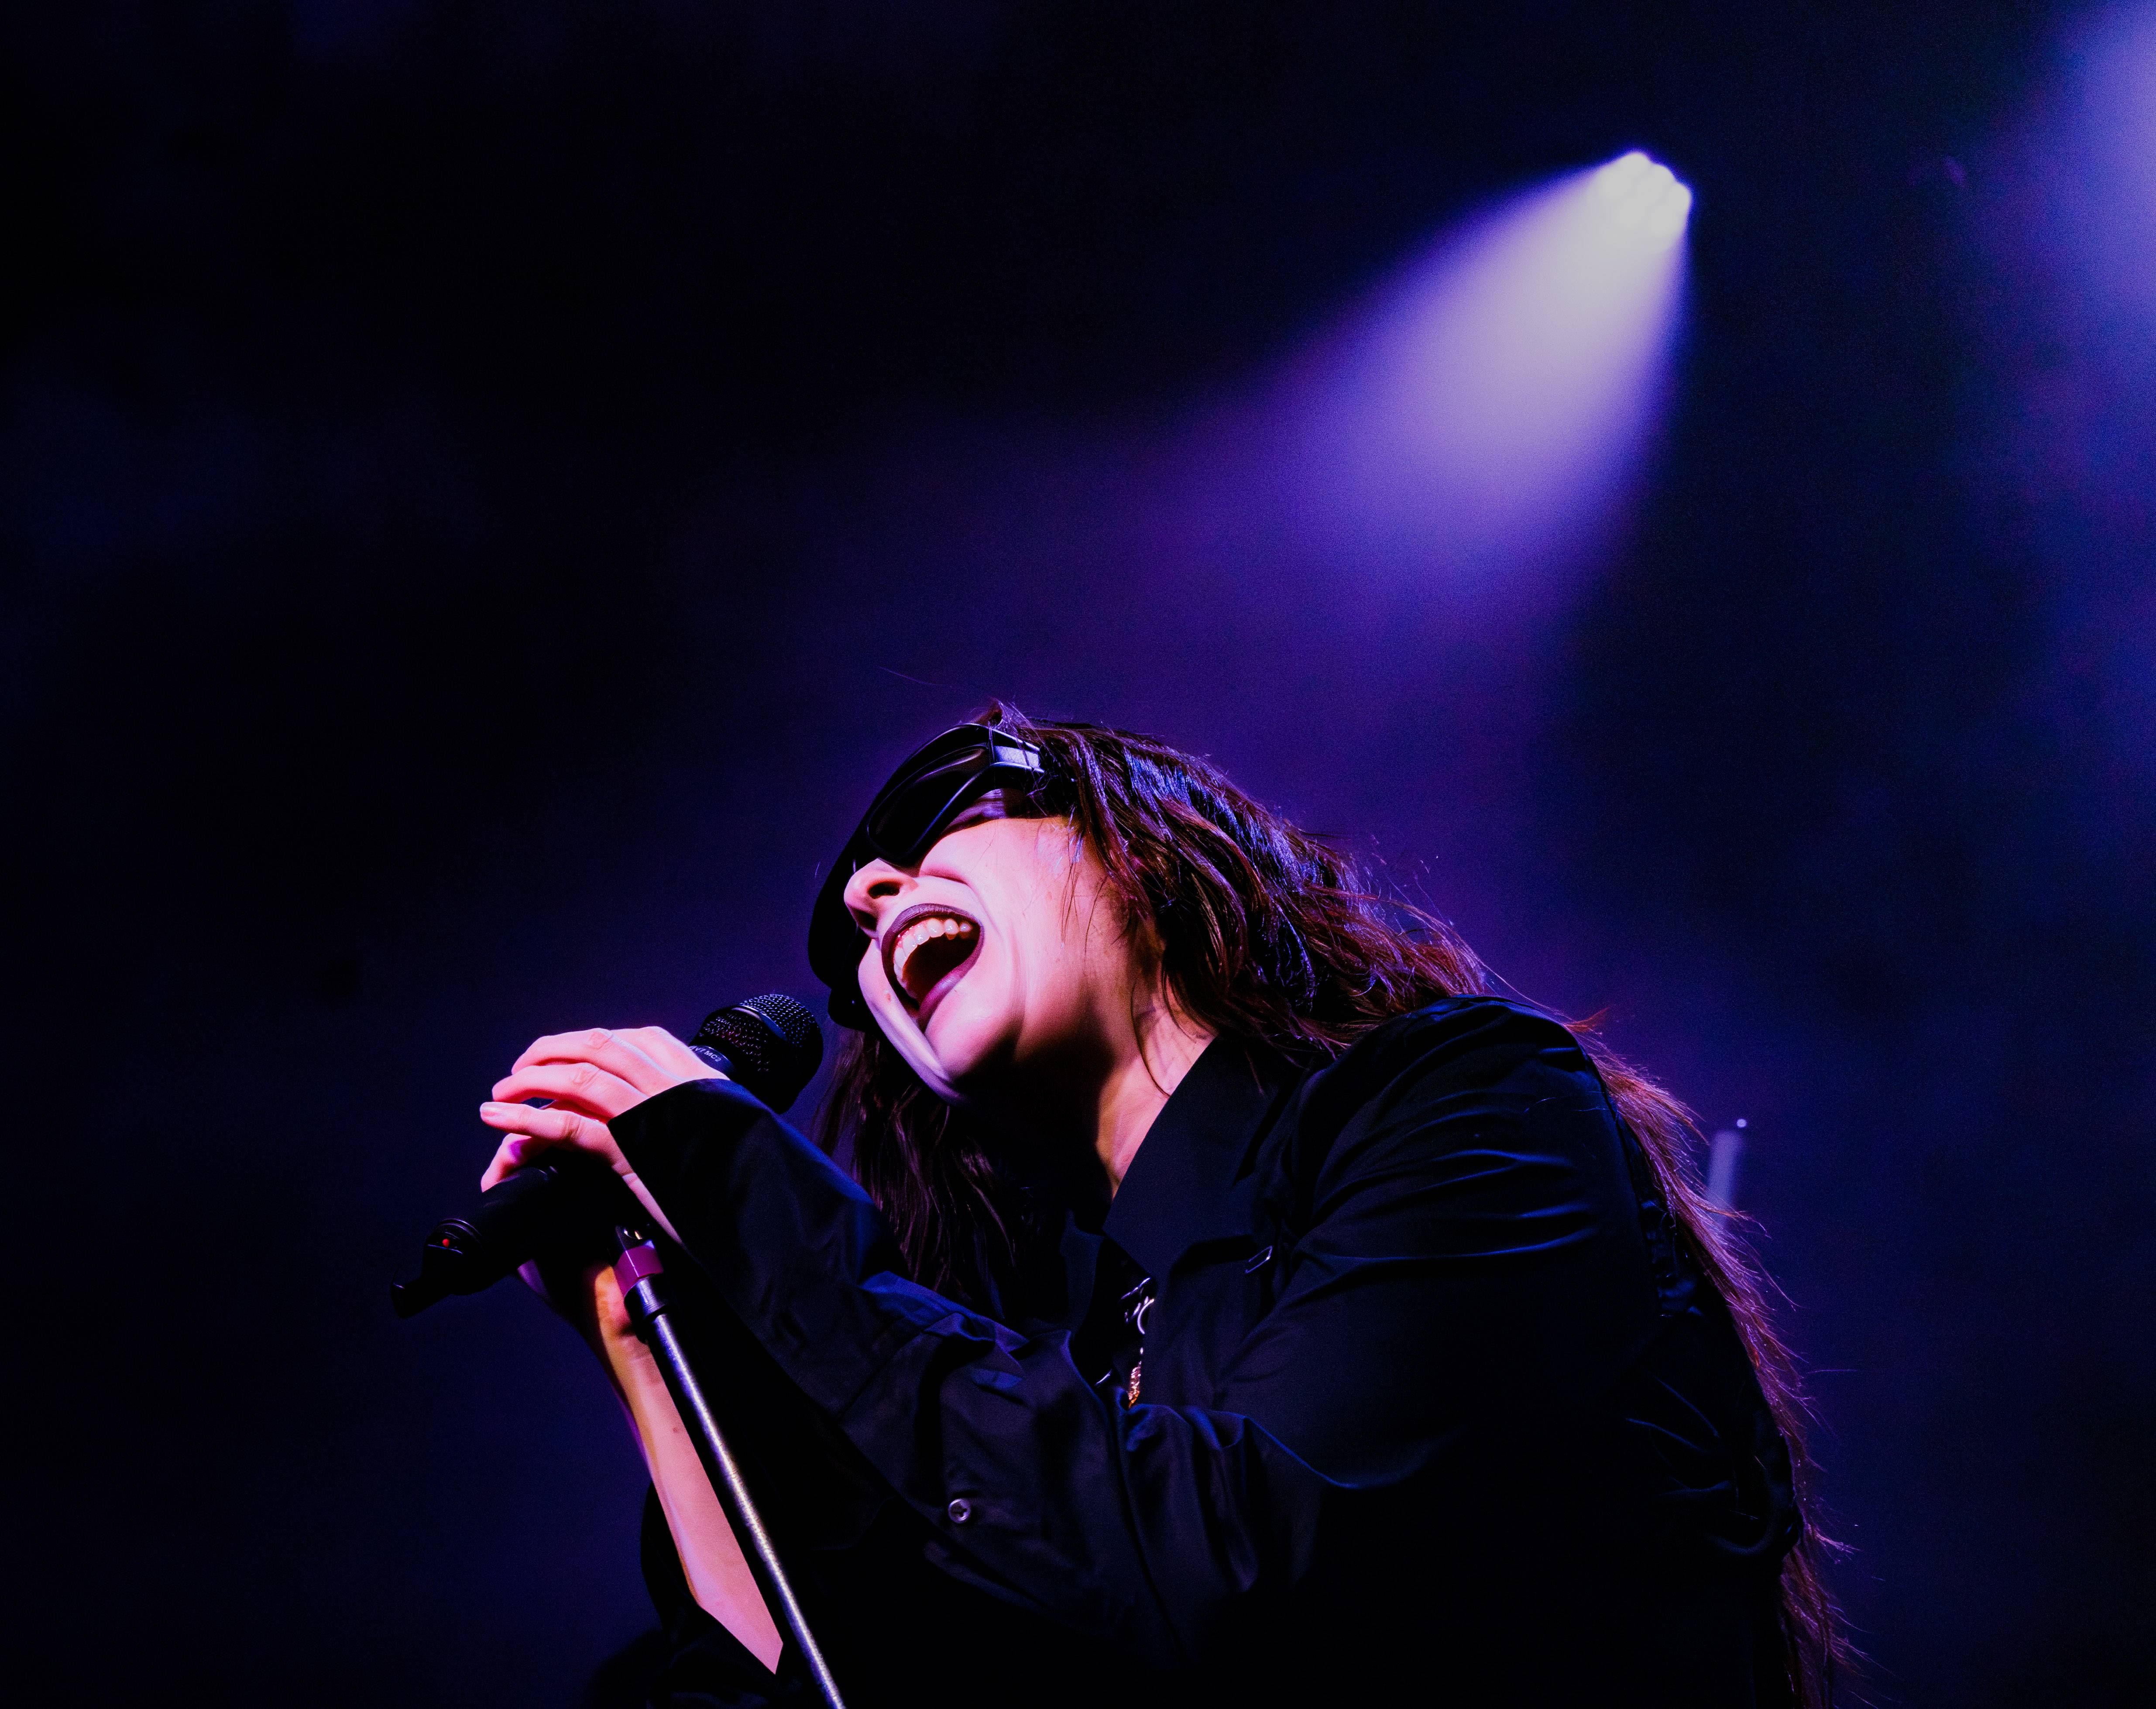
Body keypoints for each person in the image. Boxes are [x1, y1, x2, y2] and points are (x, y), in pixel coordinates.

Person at [477, 708, 1844, 1708]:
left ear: (1139, 842)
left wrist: (742, 1181)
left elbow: (1241, 1562)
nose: (870, 895)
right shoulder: (1050, 1356)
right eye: (848, 949)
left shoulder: (1471, 1104)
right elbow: (836, 1671)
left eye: (940, 813)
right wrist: (652, 1328)